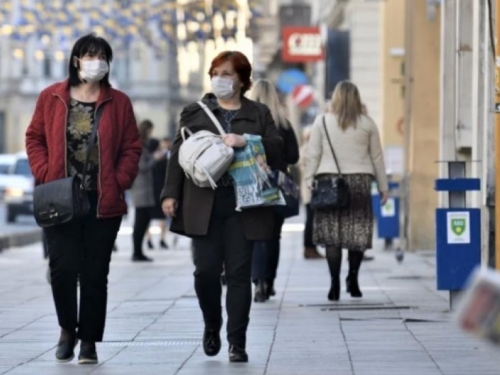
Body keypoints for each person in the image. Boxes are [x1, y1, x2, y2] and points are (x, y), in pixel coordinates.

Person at [25, 33, 141, 364]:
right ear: (77, 60)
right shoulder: (51, 97)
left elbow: (132, 145)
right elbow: (34, 137)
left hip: (102, 199)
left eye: (102, 55)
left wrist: (120, 179)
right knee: (62, 269)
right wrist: (46, 171)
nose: (96, 61)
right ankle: (67, 329)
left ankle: (88, 339)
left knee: (94, 273)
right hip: (59, 197)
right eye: (90, 55)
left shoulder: (119, 102)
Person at [161, 51, 283, 363]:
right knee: (205, 272)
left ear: (243, 80)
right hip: (204, 202)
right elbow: (178, 154)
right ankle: (212, 324)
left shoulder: (258, 112)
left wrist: (248, 140)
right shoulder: (194, 112)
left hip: (246, 203)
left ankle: (237, 341)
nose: (220, 79)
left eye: (228, 74)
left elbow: (278, 149)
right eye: (216, 72)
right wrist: (169, 194)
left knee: (240, 274)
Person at [304, 81, 388, 302]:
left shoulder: (321, 122)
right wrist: (383, 187)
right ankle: (353, 279)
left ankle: (334, 284)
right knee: (356, 235)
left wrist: (309, 178)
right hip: (360, 183)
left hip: (329, 183)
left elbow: (312, 154)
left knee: (332, 237)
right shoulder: (368, 124)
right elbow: (377, 158)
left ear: (336, 99)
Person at [248, 79, 299, 303]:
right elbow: (294, 157)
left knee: (255, 234)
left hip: (252, 182)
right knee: (273, 235)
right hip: (277, 182)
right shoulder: (284, 124)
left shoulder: (247, 122)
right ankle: (269, 281)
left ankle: (258, 281)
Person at [130, 120, 164, 262]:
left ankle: (139, 251)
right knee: (140, 221)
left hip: (145, 188)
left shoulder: (143, 146)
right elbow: (142, 167)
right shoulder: (138, 146)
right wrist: (155, 159)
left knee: (143, 221)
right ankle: (137, 252)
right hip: (140, 188)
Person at [299, 126, 324, 260]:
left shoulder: (306, 149)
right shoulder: (308, 150)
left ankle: (311, 248)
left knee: (312, 220)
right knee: (311, 220)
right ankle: (309, 248)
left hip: (310, 189)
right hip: (311, 190)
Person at [145, 137, 172, 250]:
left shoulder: (148, 159)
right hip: (161, 190)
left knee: (148, 218)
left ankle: (149, 239)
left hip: (149, 190)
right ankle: (162, 239)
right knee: (162, 216)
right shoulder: (164, 159)